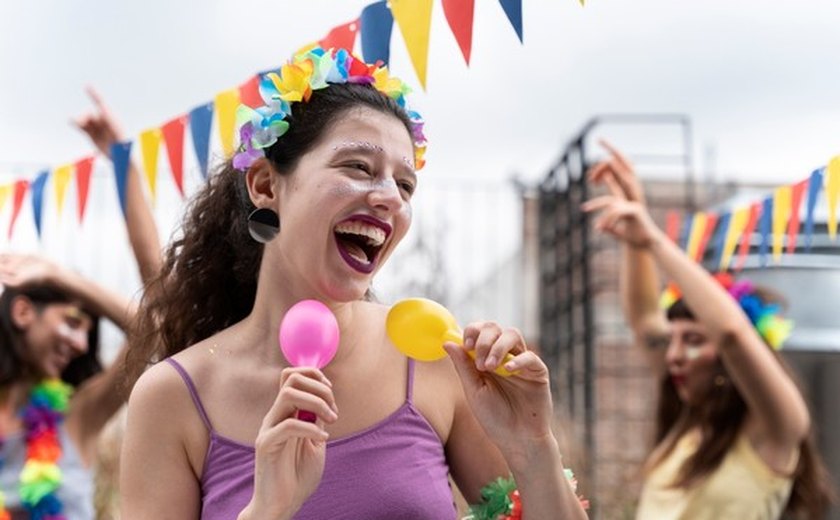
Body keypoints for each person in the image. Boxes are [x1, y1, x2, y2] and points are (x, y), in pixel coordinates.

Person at [119, 46, 588, 520]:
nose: (389, 198)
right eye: (358, 167)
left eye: (405, 186)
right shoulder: (173, 397)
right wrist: (267, 509)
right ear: (265, 186)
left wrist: (533, 447)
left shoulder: (437, 361)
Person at [583, 141, 833, 519]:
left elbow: (732, 335)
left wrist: (654, 239)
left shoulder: (776, 427)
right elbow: (645, 319)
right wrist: (636, 236)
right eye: (674, 339)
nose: (673, 353)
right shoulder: (689, 424)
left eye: (694, 340)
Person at [0, 88, 161, 519]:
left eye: (87, 331)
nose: (78, 342)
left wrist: (62, 276)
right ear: (21, 313)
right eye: (72, 322)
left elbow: (156, 320)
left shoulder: (80, 415)